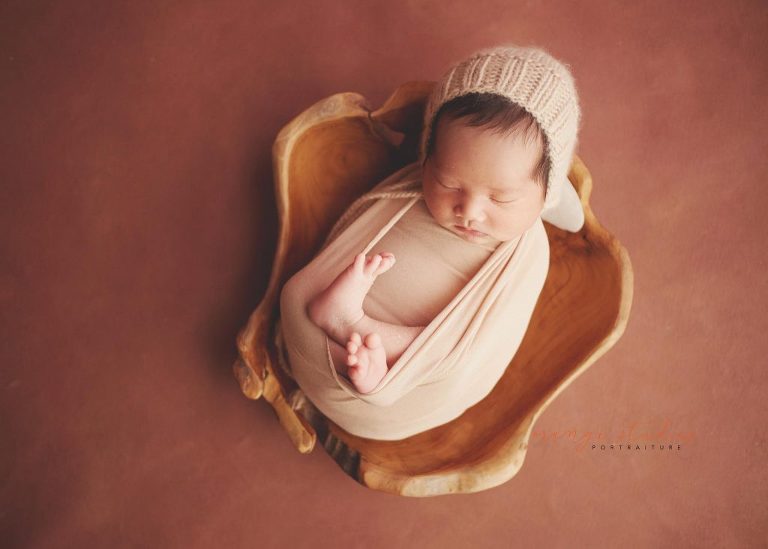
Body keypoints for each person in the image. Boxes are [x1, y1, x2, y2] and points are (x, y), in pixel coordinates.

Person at [278, 44, 584, 440]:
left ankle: (362, 340)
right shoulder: (412, 186)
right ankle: (344, 327)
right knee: (294, 299)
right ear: (428, 158)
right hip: (311, 336)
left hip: (403, 383)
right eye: (448, 182)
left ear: (546, 194)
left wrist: (398, 361)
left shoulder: (528, 254)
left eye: (500, 198)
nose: (469, 211)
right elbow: (356, 225)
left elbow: (478, 349)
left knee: (442, 351)